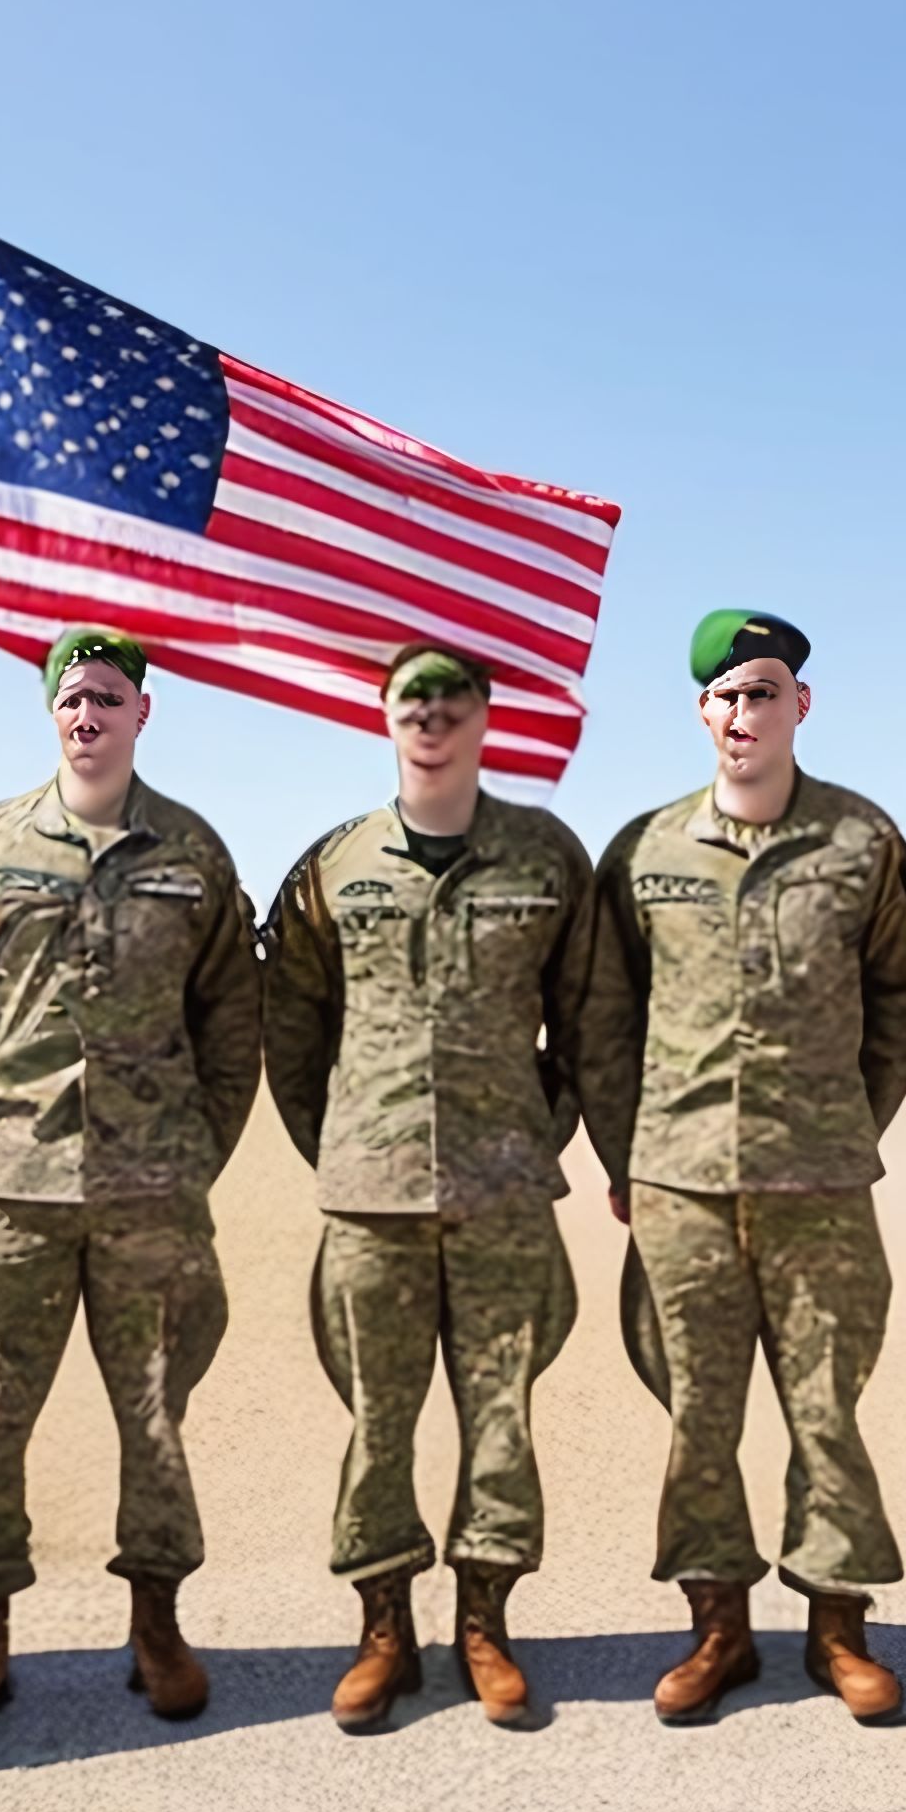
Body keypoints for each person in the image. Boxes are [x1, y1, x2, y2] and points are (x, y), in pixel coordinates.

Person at [0, 626, 260, 1756]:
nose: (88, 714)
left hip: (151, 1191)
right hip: (11, 1190)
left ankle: (156, 1626)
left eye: (108, 696)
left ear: (144, 710)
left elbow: (230, 1025)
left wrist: (191, 1147)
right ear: (52, 714)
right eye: (72, 698)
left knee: (154, 1418)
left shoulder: (192, 850)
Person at [580, 610, 906, 1726]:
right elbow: (603, 1016)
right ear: (702, 711)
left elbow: (902, 997)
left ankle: (838, 1623)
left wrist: (847, 1116)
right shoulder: (644, 850)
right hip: (681, 1181)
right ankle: (718, 1625)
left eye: (766, 691)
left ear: (801, 705)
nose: (746, 713)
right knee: (700, 1411)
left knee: (826, 1405)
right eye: (728, 695)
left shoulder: (861, 840)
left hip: (819, 1184)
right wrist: (626, 1147)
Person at [261, 644, 595, 1731]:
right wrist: (346, 1140)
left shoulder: (544, 855)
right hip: (371, 1195)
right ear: (385, 714)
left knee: (502, 1416)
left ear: (486, 716)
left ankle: (487, 1621)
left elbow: (588, 1018)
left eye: (454, 700)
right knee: (378, 1420)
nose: (434, 716)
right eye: (415, 699)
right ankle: (384, 1626)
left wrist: (532, 1131)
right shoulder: (333, 863)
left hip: (502, 1192)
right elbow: (294, 1024)